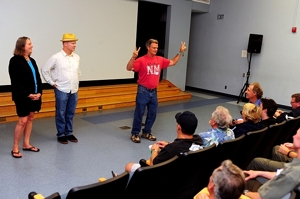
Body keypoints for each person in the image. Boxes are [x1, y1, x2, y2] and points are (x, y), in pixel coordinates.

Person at [126, 39, 187, 143]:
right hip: (143, 91)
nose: (155, 50)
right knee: (139, 113)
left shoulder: (159, 59)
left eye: (156, 48)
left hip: (153, 92)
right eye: (153, 47)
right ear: (148, 47)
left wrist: (180, 52)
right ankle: (135, 133)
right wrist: (133, 57)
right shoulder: (141, 60)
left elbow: (173, 62)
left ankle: (146, 132)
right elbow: (129, 68)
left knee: (153, 114)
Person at [125, 111, 203, 172]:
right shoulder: (198, 140)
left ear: (179, 127)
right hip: (186, 176)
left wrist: (154, 150)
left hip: (164, 180)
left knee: (129, 166)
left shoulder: (171, 149)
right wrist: (169, 144)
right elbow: (184, 145)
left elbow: (154, 166)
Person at [41, 33, 80, 144]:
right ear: (65, 44)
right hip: (61, 89)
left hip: (74, 89)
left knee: (71, 112)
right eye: (73, 43)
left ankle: (69, 132)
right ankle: (61, 134)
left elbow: (78, 71)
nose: (75, 45)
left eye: (75, 43)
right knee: (61, 112)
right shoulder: (56, 57)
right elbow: (44, 69)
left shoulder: (77, 57)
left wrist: (77, 81)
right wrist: (52, 83)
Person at [8, 36, 42, 158]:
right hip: (22, 96)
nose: (32, 45)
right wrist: (28, 94)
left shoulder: (32, 60)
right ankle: (15, 147)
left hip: (35, 95)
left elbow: (37, 78)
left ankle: (26, 144)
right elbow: (16, 82)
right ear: (22, 46)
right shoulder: (14, 61)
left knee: (31, 117)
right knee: (22, 121)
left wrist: (39, 93)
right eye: (29, 44)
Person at [243, 128, 300, 199]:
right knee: (247, 176)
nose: (293, 136)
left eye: (297, 135)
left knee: (239, 181)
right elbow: (281, 174)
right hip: (275, 189)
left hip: (263, 194)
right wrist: (259, 173)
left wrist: (244, 192)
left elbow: (260, 197)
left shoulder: (294, 172)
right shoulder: (295, 166)